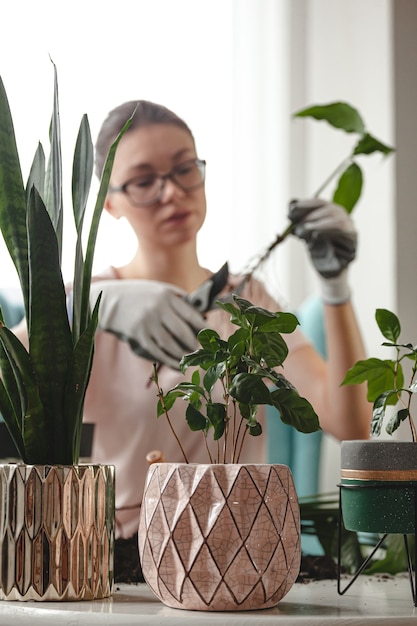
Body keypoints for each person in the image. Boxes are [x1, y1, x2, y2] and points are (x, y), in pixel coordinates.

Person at [15, 99, 372, 581]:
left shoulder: (250, 302)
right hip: (120, 562)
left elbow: (349, 426)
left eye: (185, 169)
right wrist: (93, 304)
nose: (172, 192)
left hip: (240, 553)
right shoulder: (81, 307)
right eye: (144, 181)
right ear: (109, 203)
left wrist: (336, 289)